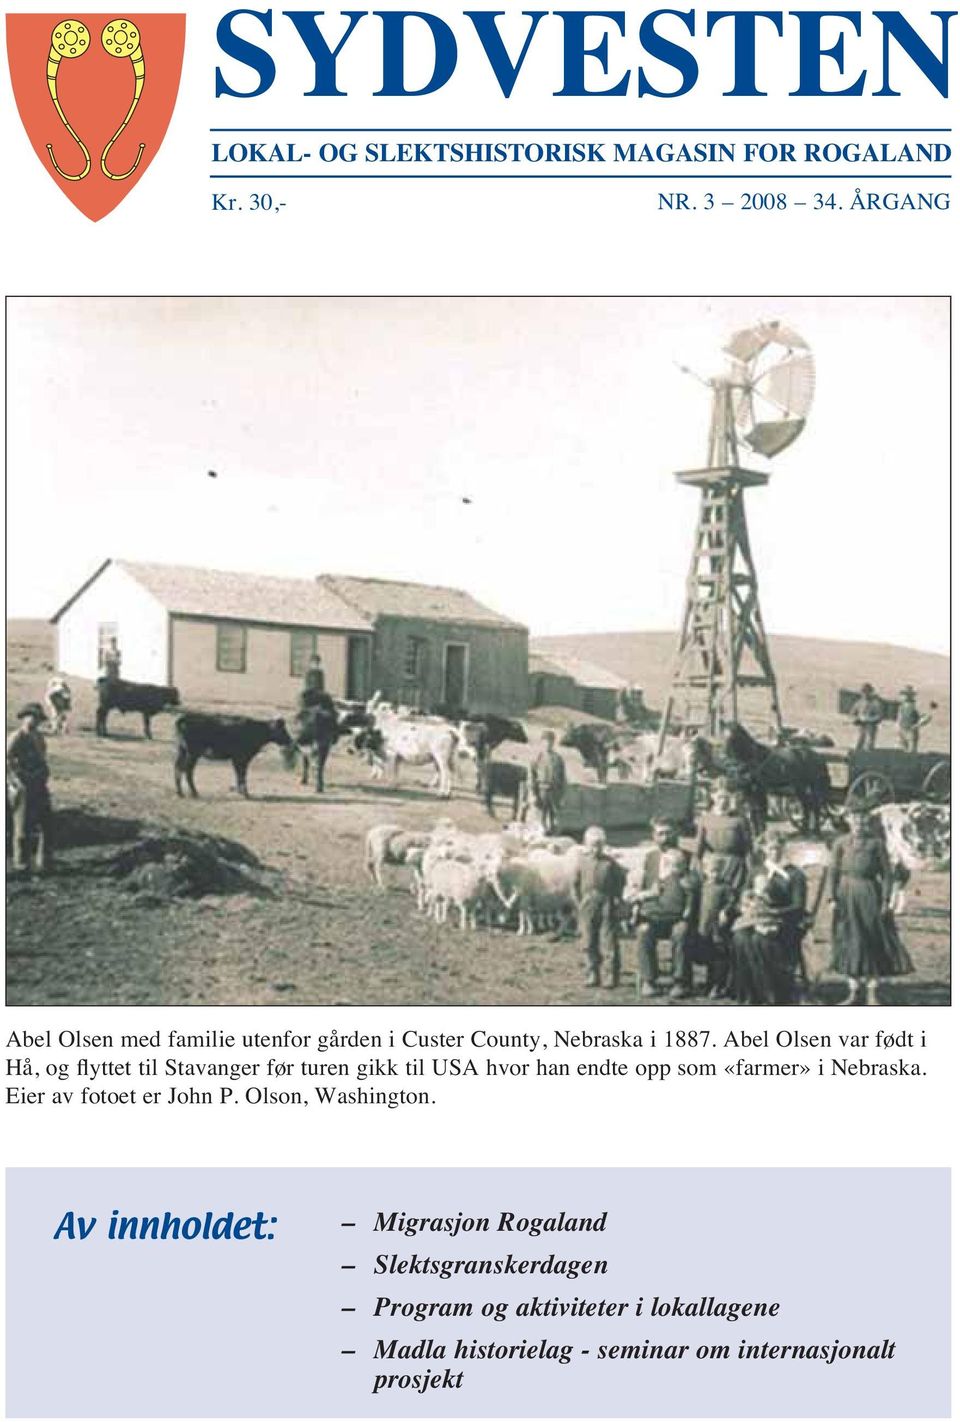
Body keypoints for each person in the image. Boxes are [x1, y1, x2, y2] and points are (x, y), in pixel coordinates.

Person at [828, 808, 913, 1006]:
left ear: (867, 822)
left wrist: (885, 900)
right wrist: (832, 898)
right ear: (848, 820)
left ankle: (872, 992)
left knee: (871, 938)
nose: (858, 824)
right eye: (854, 819)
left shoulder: (876, 844)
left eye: (862, 820)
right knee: (850, 939)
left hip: (869, 895)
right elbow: (833, 872)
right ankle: (853, 991)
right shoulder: (840, 843)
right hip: (846, 895)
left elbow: (887, 875)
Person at [635, 848, 700, 1000]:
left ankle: (680, 980)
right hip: (658, 919)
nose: (675, 869)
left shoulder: (688, 881)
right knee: (644, 931)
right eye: (671, 865)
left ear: (684, 865)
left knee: (681, 931)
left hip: (677, 920)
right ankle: (649, 979)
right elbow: (650, 898)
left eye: (678, 865)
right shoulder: (660, 881)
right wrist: (645, 903)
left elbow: (691, 904)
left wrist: (687, 913)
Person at [574, 826, 626, 989]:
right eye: (592, 844)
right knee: (588, 940)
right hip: (587, 903)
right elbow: (574, 884)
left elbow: (620, 881)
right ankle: (591, 973)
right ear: (585, 844)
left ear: (603, 845)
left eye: (598, 845)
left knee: (607, 939)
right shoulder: (581, 862)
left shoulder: (610, 864)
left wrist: (617, 898)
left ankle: (610, 975)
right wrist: (579, 902)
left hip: (606, 902)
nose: (595, 848)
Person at [6, 703, 53, 875]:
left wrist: (43, 773)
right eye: (32, 716)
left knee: (47, 823)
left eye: (38, 717)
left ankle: (44, 862)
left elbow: (42, 759)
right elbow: (6, 760)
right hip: (22, 785)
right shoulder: (17, 736)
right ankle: (21, 865)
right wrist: (15, 780)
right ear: (24, 716)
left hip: (39, 783)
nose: (35, 720)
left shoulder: (39, 737)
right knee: (22, 827)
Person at [693, 785, 753, 892]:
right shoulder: (705, 819)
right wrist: (697, 866)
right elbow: (699, 847)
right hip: (712, 865)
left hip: (734, 865)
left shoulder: (740, 820)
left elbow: (747, 847)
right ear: (712, 796)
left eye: (726, 797)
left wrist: (749, 869)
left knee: (733, 895)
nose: (723, 801)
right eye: (720, 797)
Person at [696, 854, 739, 999]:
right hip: (703, 926)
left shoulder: (726, 887)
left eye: (718, 871)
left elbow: (732, 903)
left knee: (719, 956)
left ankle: (718, 985)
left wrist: (725, 911)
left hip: (718, 929)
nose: (715, 874)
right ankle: (708, 983)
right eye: (712, 871)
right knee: (707, 955)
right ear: (705, 871)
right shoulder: (702, 886)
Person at [529, 731, 567, 835]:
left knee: (555, 819)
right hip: (542, 790)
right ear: (542, 743)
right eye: (546, 742)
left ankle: (554, 835)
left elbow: (563, 779)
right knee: (541, 818)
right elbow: (532, 777)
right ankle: (542, 835)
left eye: (550, 742)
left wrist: (562, 796)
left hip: (555, 791)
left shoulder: (558, 759)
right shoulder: (537, 758)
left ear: (553, 743)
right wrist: (533, 794)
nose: (548, 744)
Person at [850, 683, 884, 751]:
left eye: (867, 691)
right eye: (863, 692)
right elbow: (852, 713)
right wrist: (856, 719)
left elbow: (879, 716)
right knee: (858, 743)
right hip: (861, 726)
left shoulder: (875, 703)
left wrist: (868, 719)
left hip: (870, 726)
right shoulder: (859, 702)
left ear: (870, 692)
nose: (865, 693)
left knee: (869, 744)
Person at [896, 686, 930, 753]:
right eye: (905, 694)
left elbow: (927, 717)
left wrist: (917, 725)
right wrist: (898, 726)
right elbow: (899, 717)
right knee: (903, 749)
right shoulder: (902, 705)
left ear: (912, 695)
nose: (906, 696)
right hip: (902, 729)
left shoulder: (917, 706)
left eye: (908, 694)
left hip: (911, 730)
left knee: (911, 750)